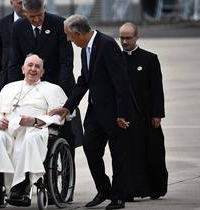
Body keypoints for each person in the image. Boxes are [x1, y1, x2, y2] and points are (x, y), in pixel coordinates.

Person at [49, 15, 136, 210]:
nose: (68, 40)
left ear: (78, 33)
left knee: (118, 155)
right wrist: (68, 106)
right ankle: (104, 189)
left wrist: (122, 114)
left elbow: (121, 82)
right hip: (95, 112)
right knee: (90, 148)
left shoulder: (107, 45)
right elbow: (84, 81)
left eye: (69, 36)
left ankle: (118, 197)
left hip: (114, 113)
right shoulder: (85, 49)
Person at [0, 54, 67, 207]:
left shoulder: (52, 89)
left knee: (30, 140)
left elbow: (59, 117)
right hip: (9, 131)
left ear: (42, 72)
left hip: (34, 131)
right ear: (23, 69)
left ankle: (20, 188)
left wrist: (34, 120)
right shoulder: (9, 88)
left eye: (37, 66)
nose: (33, 69)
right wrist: (0, 121)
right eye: (30, 65)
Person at [7, 0, 78, 173]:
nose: (37, 20)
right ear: (24, 12)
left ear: (44, 9)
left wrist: (57, 93)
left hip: (58, 85)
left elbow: (66, 62)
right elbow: (14, 62)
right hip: (31, 86)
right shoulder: (18, 27)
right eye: (32, 17)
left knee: (65, 134)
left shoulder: (59, 24)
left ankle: (67, 175)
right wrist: (14, 90)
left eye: (40, 15)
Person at [119, 22, 168, 200]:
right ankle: (131, 189)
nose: (124, 42)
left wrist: (157, 114)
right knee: (129, 154)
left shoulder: (149, 59)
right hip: (125, 116)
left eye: (128, 38)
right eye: (122, 38)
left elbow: (157, 88)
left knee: (152, 152)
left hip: (146, 115)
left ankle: (155, 188)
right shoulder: (116, 58)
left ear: (137, 37)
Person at [0, 0, 24, 99]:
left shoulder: (37, 20)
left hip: (33, 79)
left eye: (25, 2)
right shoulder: (2, 24)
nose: (23, 6)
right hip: (8, 81)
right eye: (19, 3)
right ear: (11, 2)